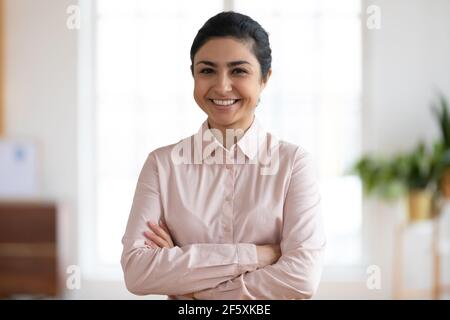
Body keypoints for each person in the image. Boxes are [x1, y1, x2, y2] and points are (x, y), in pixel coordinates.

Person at [121, 11, 326, 300]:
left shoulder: (293, 165)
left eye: (239, 71)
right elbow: (137, 272)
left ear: (265, 78)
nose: (221, 86)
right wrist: (258, 255)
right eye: (207, 70)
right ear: (193, 74)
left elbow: (301, 278)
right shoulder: (162, 165)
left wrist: (191, 287)